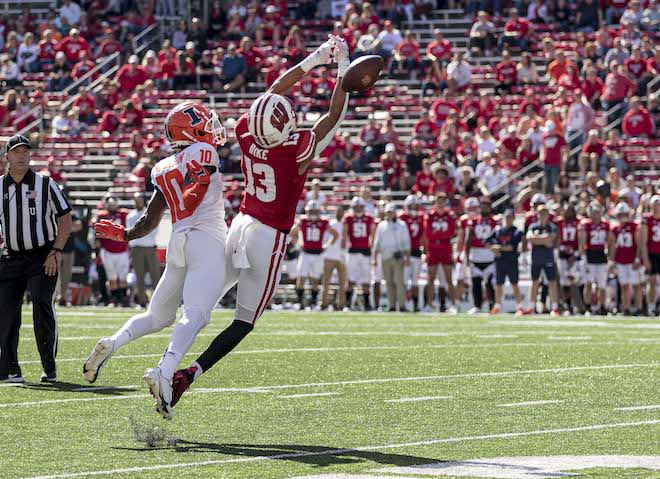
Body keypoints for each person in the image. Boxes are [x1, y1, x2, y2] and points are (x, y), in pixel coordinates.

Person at [169, 36, 351, 410]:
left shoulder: (244, 131)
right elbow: (333, 116)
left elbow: (271, 91)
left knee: (204, 304)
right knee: (245, 320)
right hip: (268, 238)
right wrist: (342, 67)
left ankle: (165, 361)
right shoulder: (294, 151)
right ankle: (188, 373)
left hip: (241, 224)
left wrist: (315, 59)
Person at [82, 101, 229, 420]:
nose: (212, 128)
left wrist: (124, 236)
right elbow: (200, 180)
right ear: (191, 129)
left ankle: (113, 341)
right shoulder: (204, 150)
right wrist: (194, 193)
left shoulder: (162, 166)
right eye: (205, 122)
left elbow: (150, 219)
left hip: (178, 241)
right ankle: (165, 369)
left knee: (158, 315)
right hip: (206, 238)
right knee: (197, 314)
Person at [0, 135, 72, 383]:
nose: (22, 155)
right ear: (6, 156)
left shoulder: (45, 183)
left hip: (43, 255)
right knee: (5, 312)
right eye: (17, 151)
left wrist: (56, 251)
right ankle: (10, 369)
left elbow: (65, 218)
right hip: (10, 256)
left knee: (42, 305)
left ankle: (49, 368)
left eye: (26, 151)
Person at [290, 200, 338, 310]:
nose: (312, 213)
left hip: (318, 253)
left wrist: (327, 246)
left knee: (315, 279)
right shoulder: (303, 221)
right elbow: (292, 232)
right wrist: (298, 243)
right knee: (301, 278)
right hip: (305, 253)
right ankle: (300, 302)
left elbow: (335, 234)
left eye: (314, 211)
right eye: (311, 211)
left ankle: (312, 302)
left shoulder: (324, 222)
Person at [372, 203, 410, 312]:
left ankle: (402, 305)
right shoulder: (381, 225)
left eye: (391, 212)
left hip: (398, 256)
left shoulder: (401, 225)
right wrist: (374, 258)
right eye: (388, 212)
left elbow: (406, 242)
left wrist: (407, 258)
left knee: (399, 282)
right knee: (388, 282)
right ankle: (392, 305)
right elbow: (377, 242)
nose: (390, 214)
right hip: (385, 256)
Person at [92, 196, 130, 306]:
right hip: (107, 250)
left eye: (114, 204)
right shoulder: (101, 216)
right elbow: (95, 232)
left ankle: (123, 299)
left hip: (122, 250)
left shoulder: (124, 214)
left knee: (123, 277)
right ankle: (114, 299)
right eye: (110, 204)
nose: (112, 206)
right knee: (111, 277)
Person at [424, 193, 458, 313]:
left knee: (449, 279)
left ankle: (454, 304)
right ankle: (429, 303)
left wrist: (438, 234)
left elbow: (451, 232)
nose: (440, 204)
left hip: (445, 247)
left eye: (442, 201)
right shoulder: (430, 215)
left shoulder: (449, 215)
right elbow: (428, 232)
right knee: (431, 278)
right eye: (438, 201)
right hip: (433, 248)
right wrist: (439, 235)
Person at [126, 192, 161, 308]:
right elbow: (130, 232)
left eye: (140, 199)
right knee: (139, 275)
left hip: (150, 247)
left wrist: (142, 235)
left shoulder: (149, 213)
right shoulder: (130, 216)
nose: (138, 202)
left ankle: (158, 301)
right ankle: (142, 300)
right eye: (136, 200)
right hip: (137, 248)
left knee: (155, 274)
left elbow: (154, 229)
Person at [464, 197, 498, 314]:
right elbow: (468, 241)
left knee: (490, 284)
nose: (484, 208)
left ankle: (492, 305)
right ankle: (477, 306)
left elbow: (498, 239)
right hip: (476, 255)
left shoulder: (495, 222)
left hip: (490, 256)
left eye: (486, 206)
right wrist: (466, 257)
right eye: (482, 206)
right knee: (476, 283)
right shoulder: (472, 222)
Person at [488, 210, 524, 315]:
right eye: (506, 217)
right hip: (500, 261)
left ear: (513, 219)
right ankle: (497, 305)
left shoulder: (516, 231)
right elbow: (486, 242)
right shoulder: (498, 230)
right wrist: (493, 248)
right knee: (499, 284)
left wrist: (497, 248)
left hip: (511, 261)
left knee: (514, 284)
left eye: (510, 217)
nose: (508, 219)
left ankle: (519, 306)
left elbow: (510, 247)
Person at [526, 205, 561, 316]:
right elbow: (530, 238)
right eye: (540, 213)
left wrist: (537, 239)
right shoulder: (533, 226)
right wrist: (543, 239)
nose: (542, 216)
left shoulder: (552, 226)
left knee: (552, 282)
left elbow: (551, 240)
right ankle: (531, 307)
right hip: (536, 258)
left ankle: (555, 308)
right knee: (535, 282)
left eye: (544, 213)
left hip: (548, 258)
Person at [609, 202, 641, 316]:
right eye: (620, 214)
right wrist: (611, 261)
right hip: (620, 260)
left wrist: (637, 259)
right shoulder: (615, 228)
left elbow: (639, 244)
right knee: (624, 286)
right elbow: (612, 246)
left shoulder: (634, 226)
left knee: (636, 285)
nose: (622, 216)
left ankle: (639, 309)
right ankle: (626, 308)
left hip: (632, 260)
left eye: (624, 213)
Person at [344, 196, 375, 311]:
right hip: (353, 251)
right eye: (356, 207)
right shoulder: (349, 218)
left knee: (366, 280)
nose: (358, 209)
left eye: (360, 206)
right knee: (350, 279)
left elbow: (373, 235)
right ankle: (348, 304)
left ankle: (367, 304)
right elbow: (345, 234)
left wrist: (372, 249)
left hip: (365, 251)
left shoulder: (369, 218)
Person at [579, 202, 611, 315]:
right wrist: (583, 257)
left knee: (602, 284)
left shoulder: (605, 224)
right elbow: (582, 242)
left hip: (601, 255)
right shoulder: (585, 224)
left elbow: (610, 241)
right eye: (593, 213)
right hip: (590, 255)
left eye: (597, 213)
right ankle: (588, 307)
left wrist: (610, 256)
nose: (595, 215)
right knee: (588, 283)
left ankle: (601, 307)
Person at [557, 202, 583, 314]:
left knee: (576, 281)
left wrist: (576, 253)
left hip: (575, 255)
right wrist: (561, 249)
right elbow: (558, 238)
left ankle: (580, 305)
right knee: (565, 283)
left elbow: (581, 240)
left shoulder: (579, 222)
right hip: (563, 255)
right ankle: (568, 306)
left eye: (570, 210)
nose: (568, 212)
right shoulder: (559, 222)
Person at [400, 195, 424, 312]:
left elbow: (424, 237)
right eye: (411, 206)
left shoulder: (421, 218)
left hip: (417, 251)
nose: (413, 208)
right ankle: (403, 304)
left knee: (415, 282)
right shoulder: (402, 217)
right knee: (404, 281)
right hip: (405, 253)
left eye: (415, 206)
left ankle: (415, 305)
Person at [321, 206, 347, 311]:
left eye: (341, 211)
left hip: (341, 256)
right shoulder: (330, 224)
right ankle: (324, 303)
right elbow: (326, 238)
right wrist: (326, 247)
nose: (339, 213)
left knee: (342, 282)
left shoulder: (345, 225)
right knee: (326, 282)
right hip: (330, 256)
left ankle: (340, 304)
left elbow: (345, 239)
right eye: (338, 211)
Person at [640, 195, 660, 316]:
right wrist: (645, 258)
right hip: (652, 253)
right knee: (652, 281)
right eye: (655, 205)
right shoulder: (646, 219)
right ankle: (651, 306)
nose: (657, 207)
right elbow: (643, 241)